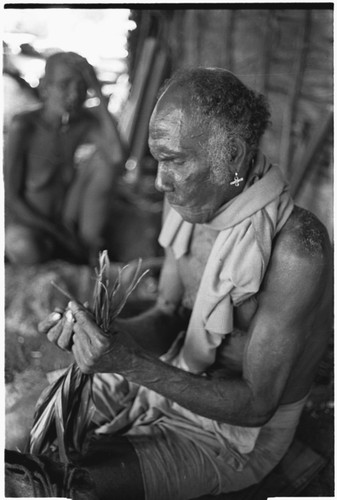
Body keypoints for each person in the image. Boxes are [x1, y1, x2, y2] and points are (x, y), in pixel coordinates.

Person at [8, 68, 332, 500]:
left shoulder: (296, 250)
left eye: (175, 160)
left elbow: (257, 405)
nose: (160, 181)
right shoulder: (186, 202)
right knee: (18, 432)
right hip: (172, 372)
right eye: (158, 159)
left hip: (235, 434)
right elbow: (169, 315)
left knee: (74, 488)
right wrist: (107, 338)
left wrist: (132, 364)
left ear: (231, 155)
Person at [5, 51, 126, 265]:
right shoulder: (24, 126)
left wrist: (97, 89)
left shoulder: (83, 123)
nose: (73, 95)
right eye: (64, 85)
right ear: (45, 87)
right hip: (30, 224)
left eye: (81, 87)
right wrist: (59, 236)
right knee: (24, 247)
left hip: (66, 221)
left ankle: (86, 248)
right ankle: (71, 251)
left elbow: (117, 157)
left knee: (104, 165)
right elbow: (12, 199)